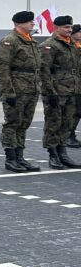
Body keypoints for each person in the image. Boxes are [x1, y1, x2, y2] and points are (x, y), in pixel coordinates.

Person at [0, 11, 43, 173]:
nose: (32, 24)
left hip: (31, 89)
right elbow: (2, 67)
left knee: (24, 124)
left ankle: (20, 157)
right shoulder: (10, 41)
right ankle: (11, 159)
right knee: (12, 123)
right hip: (17, 89)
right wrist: (8, 92)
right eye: (29, 22)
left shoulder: (32, 42)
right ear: (18, 23)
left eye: (32, 22)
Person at [39, 15, 81, 169]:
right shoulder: (49, 45)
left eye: (70, 27)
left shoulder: (71, 45)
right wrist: (50, 92)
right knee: (53, 123)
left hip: (71, 91)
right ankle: (53, 155)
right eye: (66, 27)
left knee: (66, 123)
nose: (69, 30)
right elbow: (44, 71)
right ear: (56, 28)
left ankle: (63, 153)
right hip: (56, 91)